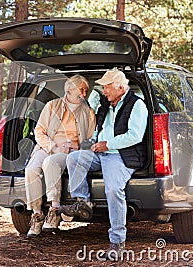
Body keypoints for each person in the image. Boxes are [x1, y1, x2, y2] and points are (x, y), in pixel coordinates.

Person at [60, 68, 148, 259]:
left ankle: (117, 241)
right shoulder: (105, 105)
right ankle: (82, 202)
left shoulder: (137, 105)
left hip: (120, 155)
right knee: (75, 158)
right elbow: (97, 127)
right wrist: (92, 142)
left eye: (107, 87)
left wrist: (107, 144)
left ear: (119, 87)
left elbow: (135, 135)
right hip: (101, 153)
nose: (104, 91)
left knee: (113, 190)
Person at [25, 74, 96, 238]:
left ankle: (54, 209)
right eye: (81, 90)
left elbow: (92, 138)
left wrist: (77, 146)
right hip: (47, 146)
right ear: (70, 90)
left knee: (51, 163)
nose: (84, 94)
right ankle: (36, 214)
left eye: (86, 91)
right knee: (30, 170)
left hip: (70, 152)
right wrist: (53, 146)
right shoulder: (51, 106)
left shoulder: (88, 112)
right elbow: (39, 132)